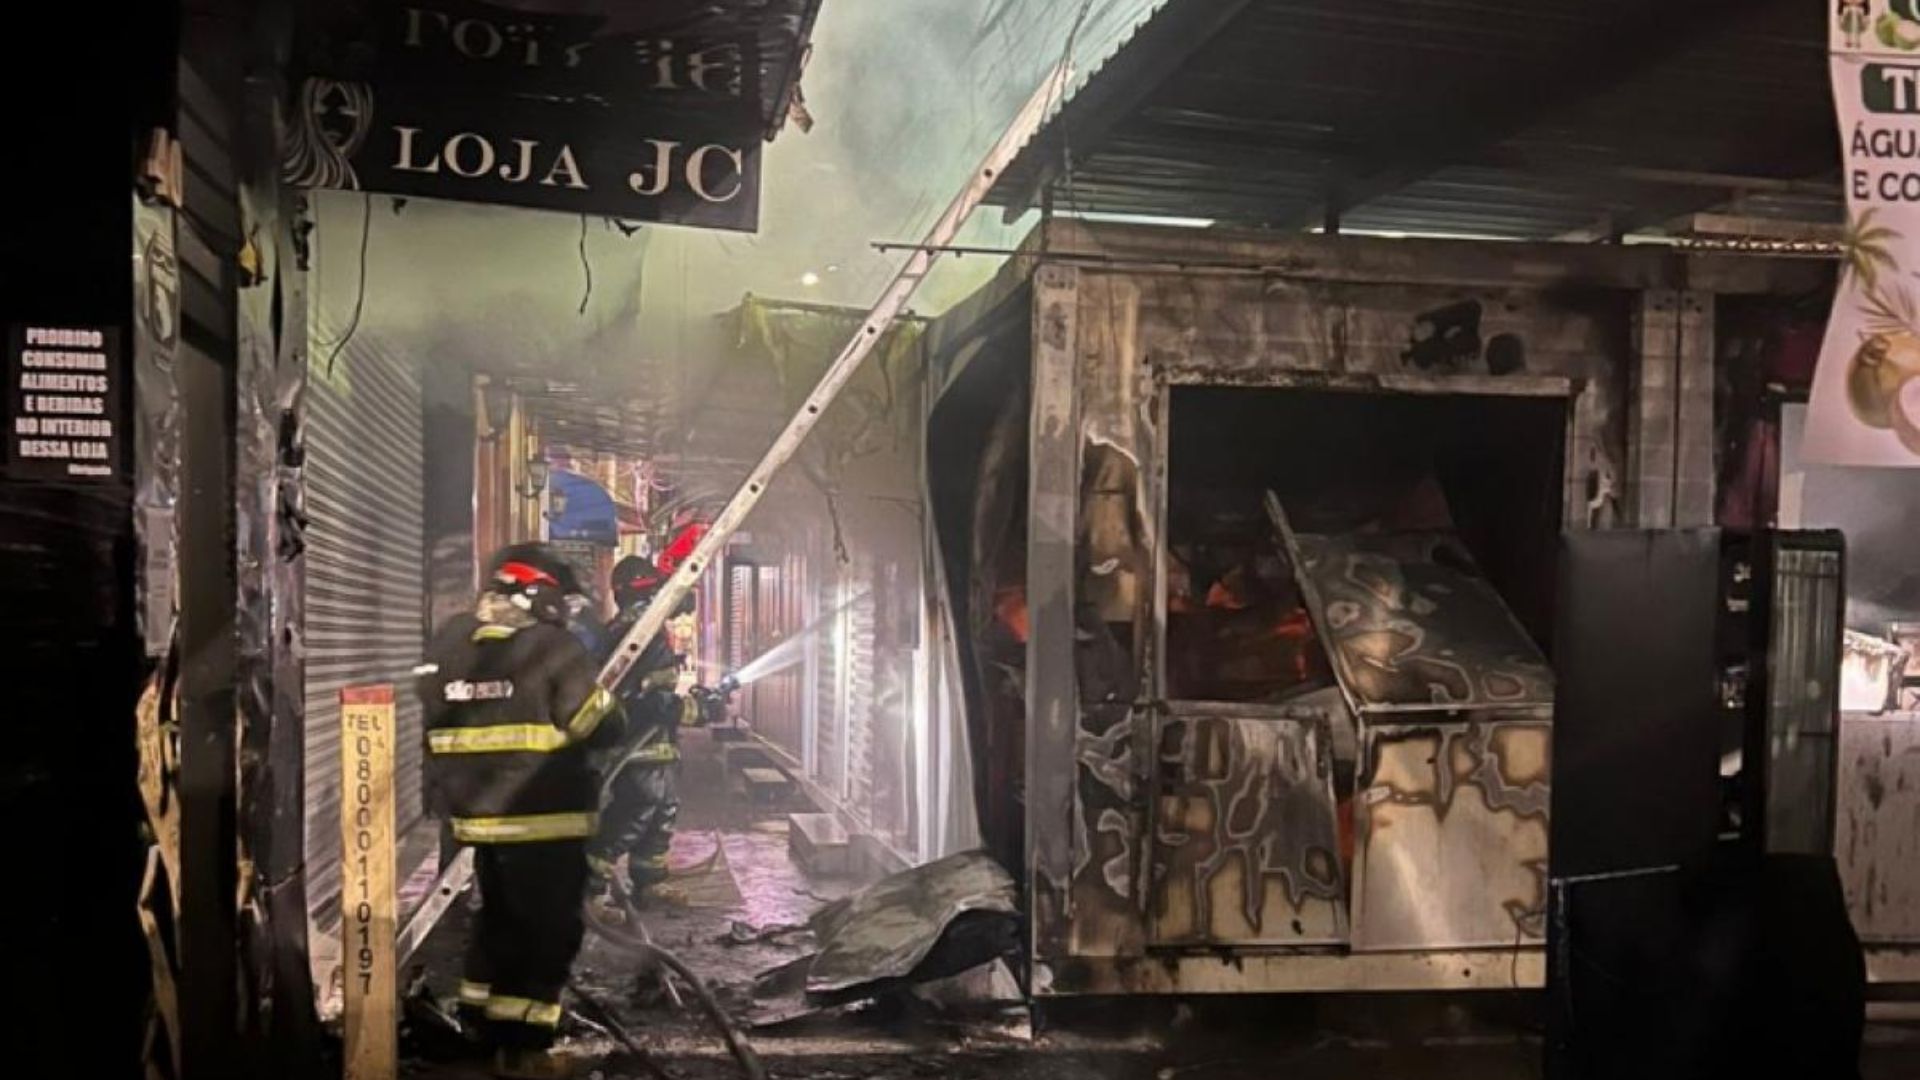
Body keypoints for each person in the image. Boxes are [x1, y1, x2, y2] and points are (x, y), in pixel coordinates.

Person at [417, 542, 623, 1078]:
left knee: (498, 925)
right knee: (548, 934)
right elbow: (599, 726)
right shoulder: (552, 650)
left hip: (477, 821)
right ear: (539, 596)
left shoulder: (449, 645)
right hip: (544, 822)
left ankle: (483, 1030)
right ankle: (528, 1049)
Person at [584, 554, 701, 918]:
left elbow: (657, 689)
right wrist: (692, 711)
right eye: (651, 594)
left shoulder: (648, 633)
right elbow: (643, 698)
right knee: (633, 813)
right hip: (635, 745)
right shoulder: (632, 635)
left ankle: (650, 882)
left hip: (657, 745)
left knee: (662, 812)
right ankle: (588, 892)